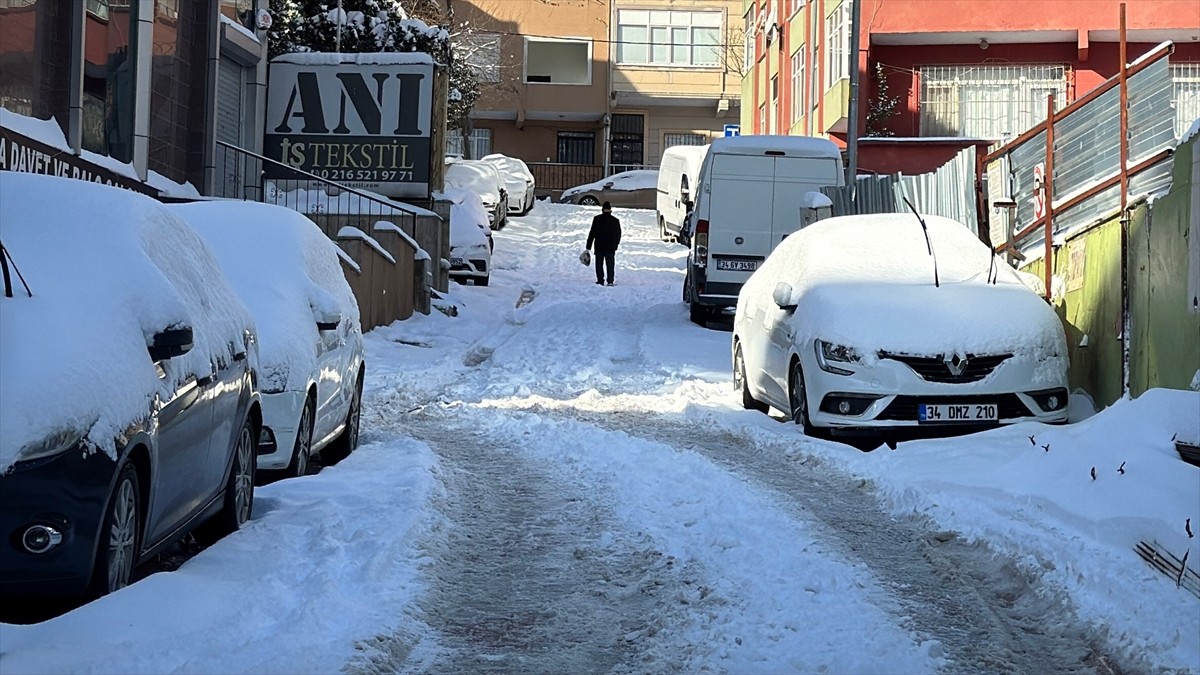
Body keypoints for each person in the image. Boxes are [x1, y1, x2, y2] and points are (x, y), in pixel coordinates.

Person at [586, 201, 622, 286]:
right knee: (610, 264)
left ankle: (600, 280)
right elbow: (618, 234)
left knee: (599, 264)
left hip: (599, 245)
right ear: (610, 210)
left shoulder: (597, 219)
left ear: (602, 210)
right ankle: (610, 281)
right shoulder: (615, 221)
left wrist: (588, 246)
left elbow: (592, 233)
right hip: (610, 246)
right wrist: (616, 245)